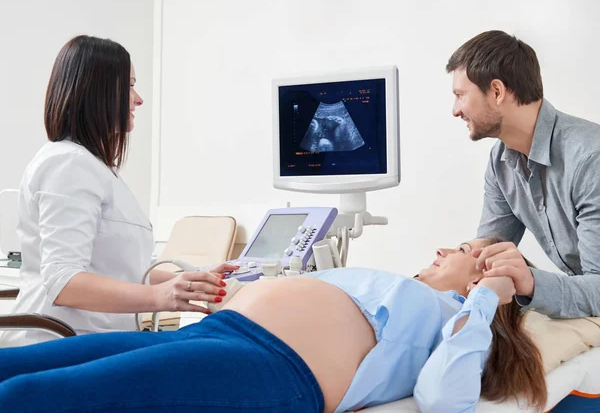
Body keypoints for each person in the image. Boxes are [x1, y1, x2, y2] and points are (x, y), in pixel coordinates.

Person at [0, 238, 547, 413]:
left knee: (32, 395)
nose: (443, 248)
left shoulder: (455, 318)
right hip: (212, 334)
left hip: (268, 366)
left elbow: (445, 399)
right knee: (13, 365)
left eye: (465, 251)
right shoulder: (394, 284)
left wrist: (488, 299)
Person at [1, 35, 236, 346]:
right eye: (129, 85)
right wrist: (158, 296)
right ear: (95, 91)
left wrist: (193, 281)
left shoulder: (91, 166)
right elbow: (65, 283)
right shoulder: (69, 165)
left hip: (89, 341)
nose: (138, 99)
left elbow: (119, 272)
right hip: (62, 346)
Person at [446, 30, 600, 318]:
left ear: (497, 91)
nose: (455, 110)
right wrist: (453, 264)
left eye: (460, 95)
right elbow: (487, 250)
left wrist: (528, 282)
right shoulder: (500, 162)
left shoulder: (590, 159)